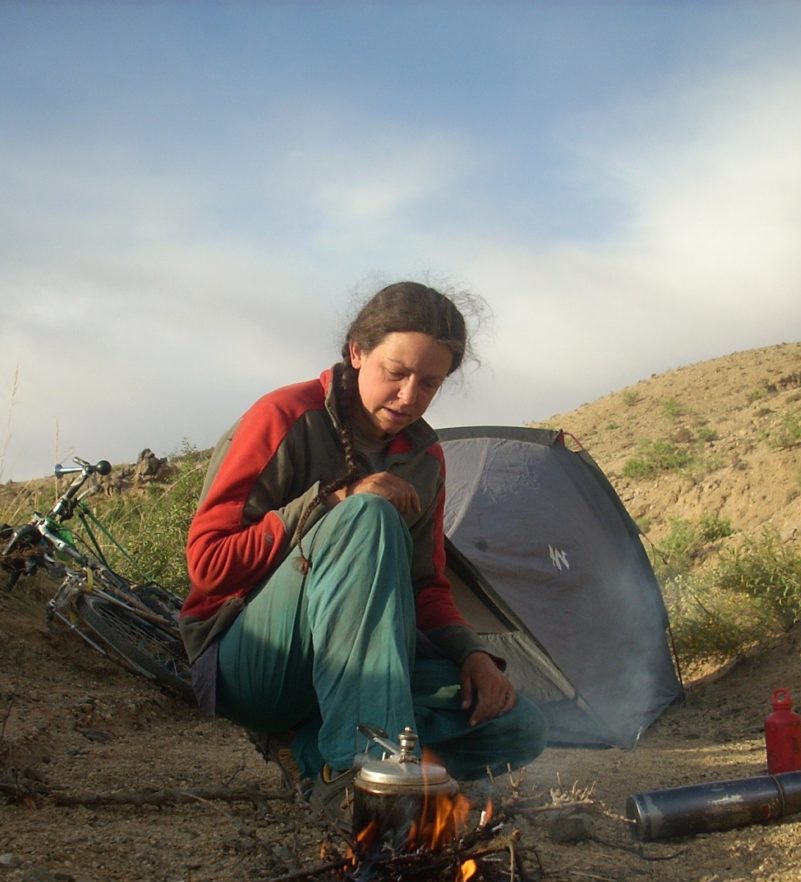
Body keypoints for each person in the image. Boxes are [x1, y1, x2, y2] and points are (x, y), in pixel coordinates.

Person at [178, 281, 548, 825]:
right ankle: (365, 777)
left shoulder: (424, 457)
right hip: (255, 661)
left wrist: (472, 655)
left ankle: (311, 752)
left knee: (517, 726)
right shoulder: (286, 416)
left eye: (429, 383)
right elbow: (209, 566)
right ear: (357, 352)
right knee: (366, 515)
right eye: (395, 373)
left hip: (352, 672)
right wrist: (334, 500)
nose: (408, 396)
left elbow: (426, 586)